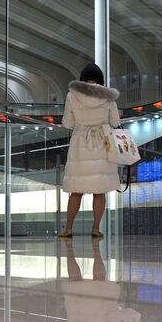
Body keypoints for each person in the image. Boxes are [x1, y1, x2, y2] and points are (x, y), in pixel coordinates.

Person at [57, 63, 121, 238]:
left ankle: (68, 228)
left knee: (76, 190)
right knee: (99, 191)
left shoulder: (73, 95)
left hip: (80, 143)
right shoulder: (109, 97)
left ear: (83, 79)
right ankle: (95, 228)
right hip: (102, 143)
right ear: (100, 79)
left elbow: (68, 123)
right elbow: (115, 123)